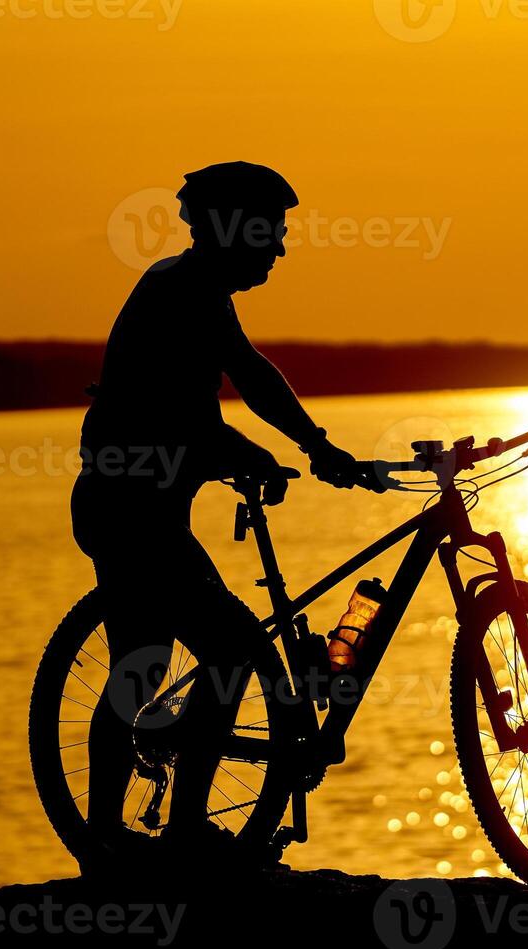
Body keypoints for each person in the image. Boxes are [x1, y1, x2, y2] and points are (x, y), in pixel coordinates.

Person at [72, 161, 383, 862]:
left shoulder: (201, 290)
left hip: (146, 513)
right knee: (213, 655)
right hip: (128, 513)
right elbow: (182, 418)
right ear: (231, 228)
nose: (279, 247)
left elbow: (250, 374)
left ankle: (138, 838)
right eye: (270, 231)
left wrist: (316, 447)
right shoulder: (179, 292)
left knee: (156, 665)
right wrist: (260, 455)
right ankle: (146, 838)